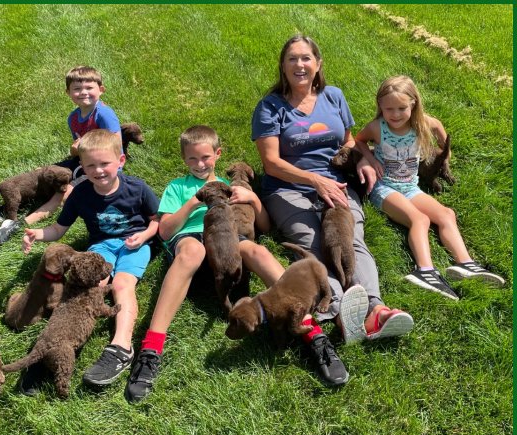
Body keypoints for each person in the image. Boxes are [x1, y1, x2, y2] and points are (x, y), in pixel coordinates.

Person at [123, 125, 349, 403]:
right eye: (192, 159)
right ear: (184, 160)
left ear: (218, 154)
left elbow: (264, 227)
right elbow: (166, 230)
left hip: (230, 239)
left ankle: (313, 334)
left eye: (205, 157)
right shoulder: (178, 187)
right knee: (191, 251)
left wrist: (252, 198)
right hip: (191, 237)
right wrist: (195, 201)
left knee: (258, 251)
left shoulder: (233, 189)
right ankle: (151, 349)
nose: (199, 164)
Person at [251, 34, 415, 350]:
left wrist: (364, 159)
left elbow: (349, 140)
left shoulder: (334, 96)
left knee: (350, 238)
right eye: (292, 59)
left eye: (306, 58)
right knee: (312, 240)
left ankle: (375, 309)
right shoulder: (270, 107)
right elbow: (271, 163)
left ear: (318, 63)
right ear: (283, 66)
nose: (300, 65)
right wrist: (315, 181)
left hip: (336, 181)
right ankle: (339, 308)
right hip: (288, 188)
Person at [21, 129, 160, 391]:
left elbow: (157, 220)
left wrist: (144, 236)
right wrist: (38, 233)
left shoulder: (137, 188)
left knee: (122, 285)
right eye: (90, 166)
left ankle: (121, 346)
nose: (98, 171)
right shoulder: (80, 194)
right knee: (85, 288)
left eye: (105, 163)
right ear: (81, 168)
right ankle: (52, 346)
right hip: (102, 246)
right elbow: (59, 229)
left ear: (121, 161)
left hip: (135, 244)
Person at [354, 75, 505, 299]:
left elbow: (438, 127)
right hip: (384, 188)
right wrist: (370, 158)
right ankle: (424, 271)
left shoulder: (423, 123)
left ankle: (465, 264)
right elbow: (358, 140)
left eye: (401, 108)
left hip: (410, 187)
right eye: (389, 109)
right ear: (380, 107)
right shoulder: (377, 127)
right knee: (420, 219)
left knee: (446, 214)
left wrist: (446, 152)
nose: (395, 114)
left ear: (413, 104)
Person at [0, 66, 123, 246]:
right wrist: (75, 151)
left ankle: (17, 226)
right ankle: (2, 209)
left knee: (62, 192)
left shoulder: (104, 115)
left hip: (100, 166)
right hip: (81, 160)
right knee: (42, 174)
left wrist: (92, 156)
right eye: (77, 89)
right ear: (68, 92)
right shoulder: (73, 118)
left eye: (89, 88)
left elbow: (116, 147)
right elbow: (77, 150)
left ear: (101, 90)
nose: (83, 92)